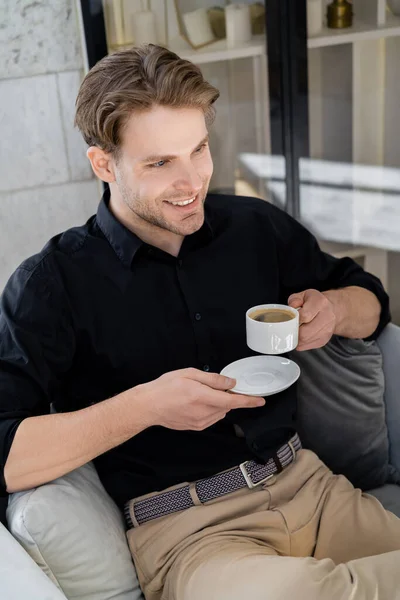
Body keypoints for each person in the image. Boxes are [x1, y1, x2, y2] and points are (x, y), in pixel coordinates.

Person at [1, 44, 400, 600]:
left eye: (199, 150)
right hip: (190, 532)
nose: (192, 182)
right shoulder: (51, 285)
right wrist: (145, 407)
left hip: (312, 487)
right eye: (160, 162)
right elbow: (7, 452)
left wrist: (333, 312)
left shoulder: (255, 227)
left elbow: (372, 300)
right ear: (103, 164)